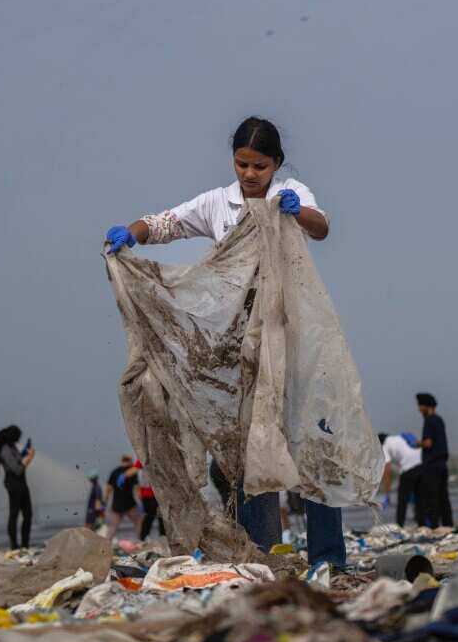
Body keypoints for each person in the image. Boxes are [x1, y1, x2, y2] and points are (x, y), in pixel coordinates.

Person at [105, 116, 344, 567]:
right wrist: (131, 235)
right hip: (242, 346)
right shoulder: (218, 204)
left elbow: (321, 226)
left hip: (291, 338)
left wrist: (297, 212)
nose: (250, 174)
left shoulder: (286, 193)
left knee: (313, 444)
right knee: (246, 449)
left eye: (259, 166)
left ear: (276, 164)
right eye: (242, 164)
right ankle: (263, 553)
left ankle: (328, 557)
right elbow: (166, 224)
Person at [0, 425, 34, 550]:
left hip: (21, 482)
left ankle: (25, 544)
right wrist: (30, 458)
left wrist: (25, 451)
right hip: (14, 482)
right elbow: (17, 469)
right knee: (14, 514)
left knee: (28, 513)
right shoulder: (4, 449)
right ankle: (14, 545)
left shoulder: (11, 447)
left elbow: (18, 459)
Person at [416, 392, 453, 528]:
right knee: (444, 498)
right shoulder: (439, 419)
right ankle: (448, 525)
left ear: (426, 406)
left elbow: (428, 443)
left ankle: (435, 527)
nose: (419, 410)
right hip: (442, 464)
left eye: (420, 406)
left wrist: (416, 443)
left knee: (432, 499)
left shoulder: (429, 420)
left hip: (432, 466)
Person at [378, 432, 424, 528]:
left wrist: (387, 493)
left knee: (402, 501)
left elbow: (387, 471)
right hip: (422, 464)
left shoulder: (385, 446)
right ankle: (422, 525)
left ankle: (400, 526)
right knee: (420, 498)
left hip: (408, 468)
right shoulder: (399, 437)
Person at [103, 455, 142, 540]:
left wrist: (105, 501)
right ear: (130, 461)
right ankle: (141, 542)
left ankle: (105, 545)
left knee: (112, 527)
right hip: (130, 504)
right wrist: (140, 501)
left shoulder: (114, 472)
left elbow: (108, 488)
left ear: (121, 461)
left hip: (116, 505)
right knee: (138, 523)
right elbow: (136, 488)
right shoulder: (132, 472)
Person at [135, 460, 165, 540]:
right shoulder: (141, 461)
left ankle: (163, 536)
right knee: (150, 516)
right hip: (148, 495)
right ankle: (144, 537)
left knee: (161, 516)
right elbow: (136, 473)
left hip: (158, 494)